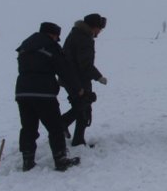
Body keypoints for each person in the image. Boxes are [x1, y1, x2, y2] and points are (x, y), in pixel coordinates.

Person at [15, 22, 83, 171]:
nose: (57, 40)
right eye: (57, 37)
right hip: (44, 93)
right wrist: (78, 88)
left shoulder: (25, 46)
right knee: (55, 127)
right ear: (53, 34)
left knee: (28, 127)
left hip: (22, 92)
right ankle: (61, 159)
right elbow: (64, 69)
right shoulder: (50, 46)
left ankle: (27, 160)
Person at [61, 13, 108, 147]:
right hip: (78, 79)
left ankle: (76, 137)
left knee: (82, 107)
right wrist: (99, 77)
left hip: (70, 78)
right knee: (83, 106)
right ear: (94, 27)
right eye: (100, 28)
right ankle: (63, 125)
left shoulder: (76, 34)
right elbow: (85, 64)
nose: (100, 31)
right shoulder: (84, 38)